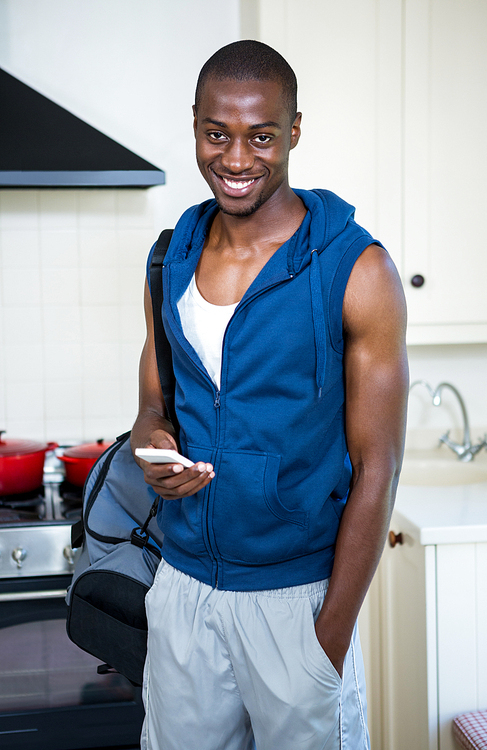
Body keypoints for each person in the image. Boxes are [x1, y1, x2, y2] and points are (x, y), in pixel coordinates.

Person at [131, 39, 408, 750]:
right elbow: (155, 408)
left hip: (297, 606)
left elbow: (378, 468)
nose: (235, 159)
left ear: (293, 131)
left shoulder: (357, 270)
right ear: (195, 123)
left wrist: (330, 640)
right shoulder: (169, 260)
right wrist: (155, 451)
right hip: (185, 594)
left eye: (261, 137)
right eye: (216, 134)